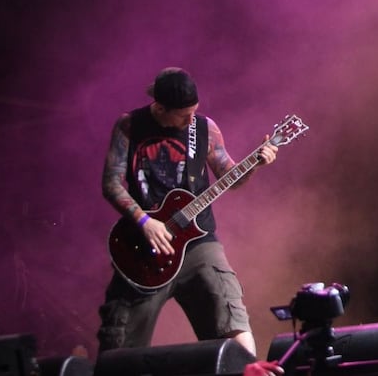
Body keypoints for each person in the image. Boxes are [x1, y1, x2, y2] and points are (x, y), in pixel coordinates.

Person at [96, 67, 280, 363]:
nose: (190, 119)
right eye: (183, 115)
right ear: (160, 107)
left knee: (232, 316)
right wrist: (144, 221)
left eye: (193, 112)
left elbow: (229, 177)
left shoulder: (205, 129)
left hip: (198, 242)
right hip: (143, 249)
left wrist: (256, 162)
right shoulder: (130, 126)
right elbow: (110, 183)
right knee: (118, 350)